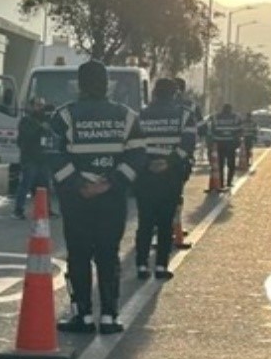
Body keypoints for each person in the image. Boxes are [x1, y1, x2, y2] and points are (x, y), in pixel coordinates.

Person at [50, 61, 145, 334]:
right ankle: (109, 316)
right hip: (112, 198)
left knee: (78, 255)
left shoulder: (64, 116)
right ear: (107, 84)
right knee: (108, 255)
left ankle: (83, 315)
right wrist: (112, 182)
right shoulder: (127, 116)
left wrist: (79, 183)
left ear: (79, 85)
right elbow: (137, 155)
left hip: (77, 199)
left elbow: (53, 155)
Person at [134, 78, 197, 279]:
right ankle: (161, 266)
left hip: (145, 175)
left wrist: (147, 164)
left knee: (145, 222)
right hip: (171, 175)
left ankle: (141, 266)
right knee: (165, 222)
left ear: (154, 93)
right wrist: (169, 162)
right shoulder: (185, 115)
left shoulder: (141, 115)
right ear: (174, 94)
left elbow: (134, 145)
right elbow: (188, 144)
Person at [14, 97, 56, 219]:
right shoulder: (27, 121)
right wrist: (39, 128)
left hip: (43, 158)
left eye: (42, 105)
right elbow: (25, 138)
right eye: (38, 105)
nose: (40, 108)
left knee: (45, 186)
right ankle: (18, 210)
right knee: (26, 184)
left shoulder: (46, 120)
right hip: (30, 159)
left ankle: (46, 209)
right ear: (32, 106)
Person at [210, 103, 242, 187]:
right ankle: (229, 182)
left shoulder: (216, 117)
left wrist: (214, 141)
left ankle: (220, 183)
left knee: (220, 164)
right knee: (231, 164)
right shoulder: (236, 117)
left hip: (220, 144)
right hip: (231, 144)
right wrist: (237, 141)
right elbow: (240, 131)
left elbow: (212, 131)